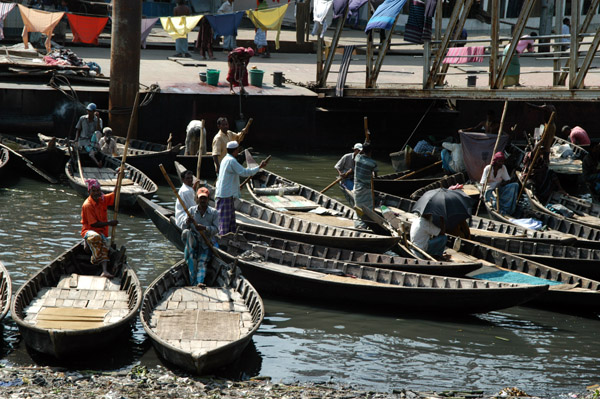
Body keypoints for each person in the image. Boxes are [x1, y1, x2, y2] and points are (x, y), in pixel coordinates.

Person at [215, 141, 269, 235]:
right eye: (238, 150)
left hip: (226, 194)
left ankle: (230, 236)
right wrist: (259, 167)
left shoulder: (225, 159)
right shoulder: (231, 161)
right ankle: (223, 239)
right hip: (225, 195)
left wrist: (237, 187)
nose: (238, 152)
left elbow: (229, 177)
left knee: (230, 220)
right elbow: (244, 172)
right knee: (225, 221)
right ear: (235, 150)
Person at [80, 178, 119, 278]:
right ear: (89, 191)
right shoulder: (88, 205)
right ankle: (90, 249)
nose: (97, 193)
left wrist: (119, 179)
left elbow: (115, 194)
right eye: (94, 191)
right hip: (89, 231)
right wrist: (109, 223)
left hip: (102, 233)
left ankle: (105, 271)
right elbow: (93, 224)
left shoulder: (102, 199)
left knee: (104, 247)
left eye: (98, 190)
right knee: (96, 238)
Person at [181, 186, 219, 285]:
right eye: (200, 198)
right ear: (197, 199)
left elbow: (216, 230)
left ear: (208, 199)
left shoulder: (214, 212)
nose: (202, 200)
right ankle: (190, 256)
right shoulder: (191, 211)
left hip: (206, 243)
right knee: (187, 233)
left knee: (202, 264)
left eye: (205, 198)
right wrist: (187, 222)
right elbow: (183, 227)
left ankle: (198, 283)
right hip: (193, 243)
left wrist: (205, 228)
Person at [353, 142, 378, 227]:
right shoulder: (373, 163)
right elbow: (376, 176)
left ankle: (359, 224)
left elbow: (360, 153)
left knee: (358, 206)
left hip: (357, 187)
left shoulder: (357, 157)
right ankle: (365, 225)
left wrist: (364, 149)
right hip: (366, 188)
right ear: (371, 151)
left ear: (362, 150)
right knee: (368, 207)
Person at [75, 103, 103, 168]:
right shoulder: (82, 118)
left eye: (90, 111)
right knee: (90, 152)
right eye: (88, 110)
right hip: (83, 140)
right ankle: (97, 163)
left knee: (99, 149)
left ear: (94, 111)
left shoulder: (99, 120)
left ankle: (99, 161)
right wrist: (76, 139)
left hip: (93, 140)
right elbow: (78, 129)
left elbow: (99, 129)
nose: (88, 112)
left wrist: (98, 118)